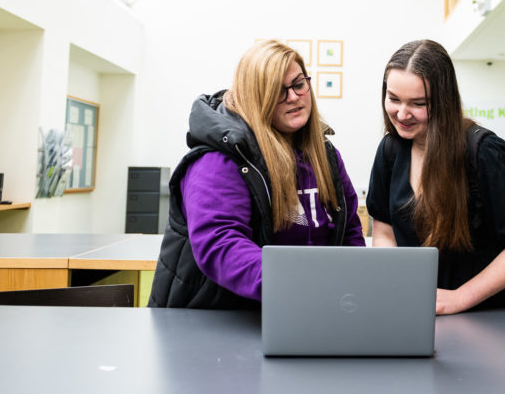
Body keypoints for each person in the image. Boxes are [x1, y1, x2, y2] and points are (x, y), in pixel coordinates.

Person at [149, 40, 366, 309]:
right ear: (254, 97)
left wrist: (353, 286)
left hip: (306, 309)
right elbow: (222, 244)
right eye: (277, 90)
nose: (294, 97)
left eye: (299, 84)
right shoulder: (219, 158)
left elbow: (349, 231)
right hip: (221, 319)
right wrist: (301, 285)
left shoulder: (325, 154)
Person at [366, 39, 505, 315]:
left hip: (490, 318)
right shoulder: (391, 149)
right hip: (422, 312)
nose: (402, 114)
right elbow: (384, 228)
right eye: (393, 99)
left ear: (443, 101)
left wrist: (459, 298)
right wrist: (398, 280)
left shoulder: (484, 151)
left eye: (418, 103)